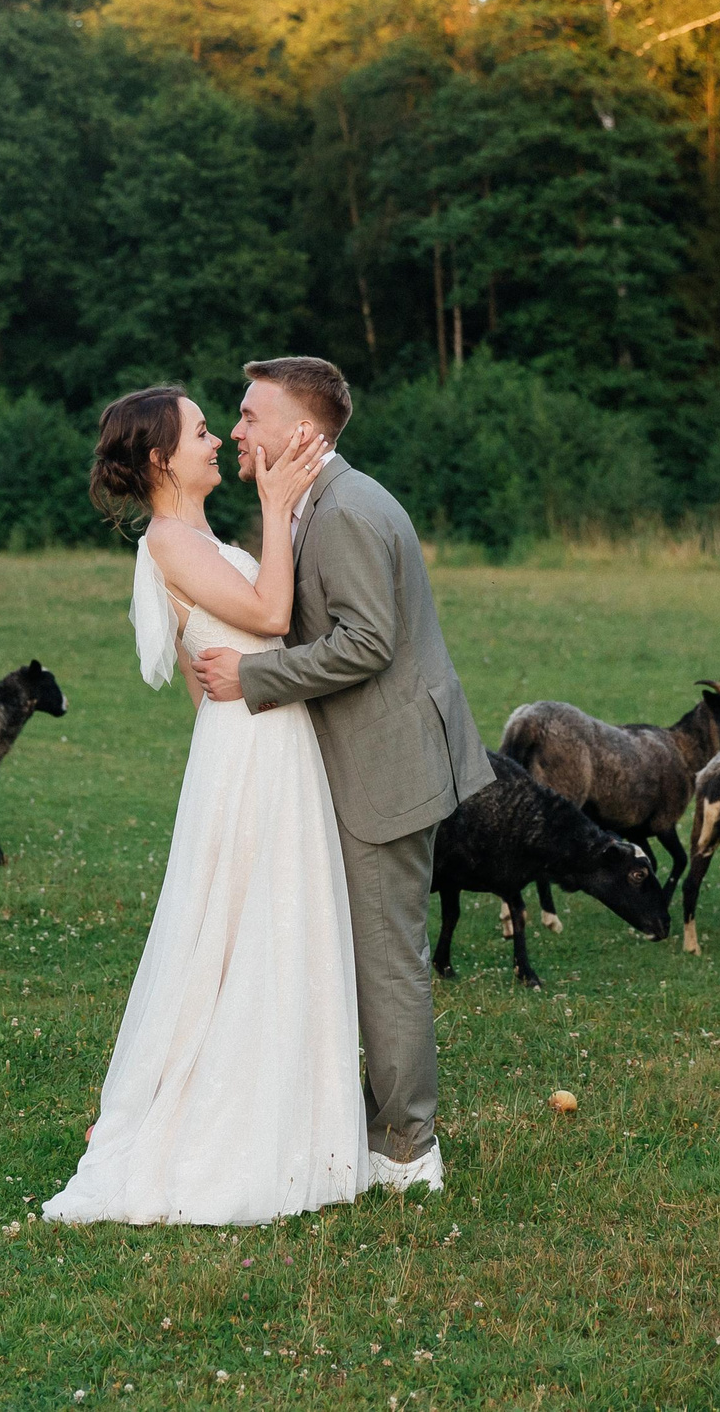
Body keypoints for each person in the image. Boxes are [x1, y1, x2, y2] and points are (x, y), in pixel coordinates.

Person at [44, 383, 355, 1226]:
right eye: (202, 431)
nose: (218, 438)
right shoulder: (170, 540)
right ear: (159, 458)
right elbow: (272, 611)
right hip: (252, 748)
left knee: (261, 924)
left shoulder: (192, 539)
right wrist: (278, 500)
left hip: (250, 745)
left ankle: (292, 1113)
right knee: (240, 929)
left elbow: (205, 677)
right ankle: (205, 1123)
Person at [190, 356, 494, 1195]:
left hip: (387, 770)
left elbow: (367, 642)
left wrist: (253, 680)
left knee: (387, 959)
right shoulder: (315, 503)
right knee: (365, 954)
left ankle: (407, 1151)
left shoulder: (346, 511)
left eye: (250, 416)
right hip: (369, 761)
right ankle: (369, 1121)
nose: (239, 429)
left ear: (302, 431)